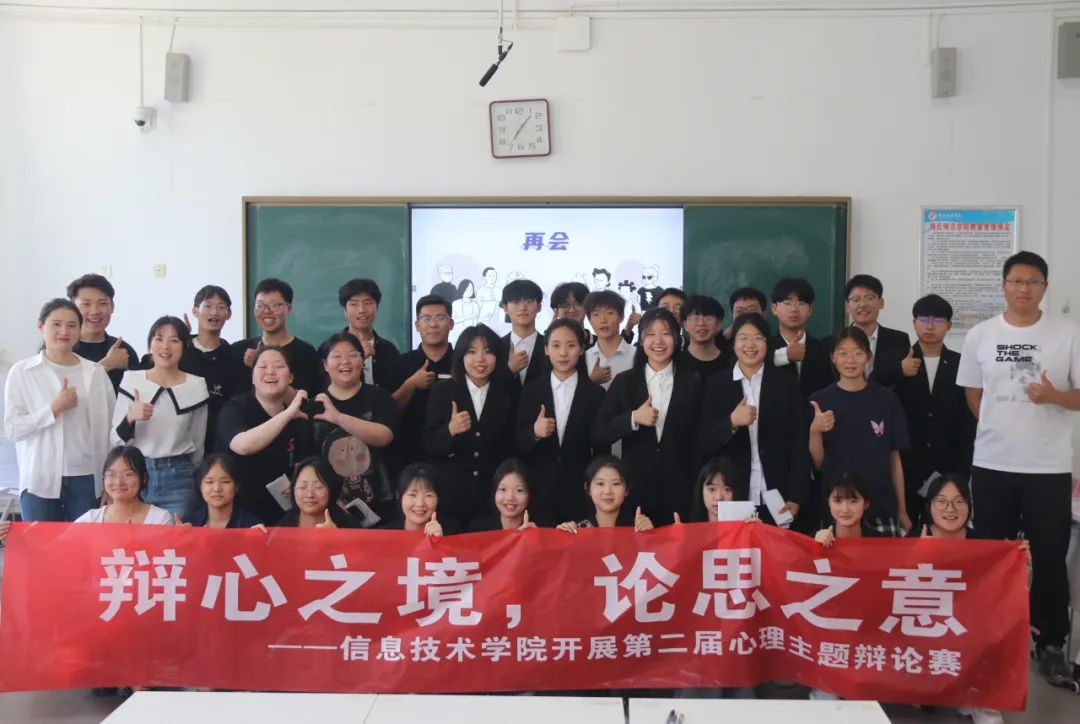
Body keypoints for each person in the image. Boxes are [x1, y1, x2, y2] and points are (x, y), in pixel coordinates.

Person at [956, 250, 1080, 682]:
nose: (1023, 288)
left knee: (1049, 557)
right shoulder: (981, 335)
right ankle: (988, 637)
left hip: (1048, 467)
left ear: (1044, 286)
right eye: (1016, 281)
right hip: (992, 463)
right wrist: (1000, 427)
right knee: (991, 555)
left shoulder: (1068, 334)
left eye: (1032, 281)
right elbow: (973, 393)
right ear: (1003, 286)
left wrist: (1053, 397)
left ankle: (1049, 643)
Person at [4, 299, 115, 522]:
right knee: (40, 542)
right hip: (39, 478)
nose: (64, 331)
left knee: (84, 542)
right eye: (56, 324)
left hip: (86, 477)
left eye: (72, 325)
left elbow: (109, 432)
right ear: (40, 326)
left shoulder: (95, 373)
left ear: (80, 330)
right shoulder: (22, 372)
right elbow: (13, 429)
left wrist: (110, 479)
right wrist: (52, 409)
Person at [697, 313, 809, 528]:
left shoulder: (786, 384)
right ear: (733, 343)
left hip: (779, 495)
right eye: (743, 338)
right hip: (733, 495)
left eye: (758, 338)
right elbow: (704, 442)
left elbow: (799, 442)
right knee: (737, 549)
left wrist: (797, 495)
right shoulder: (716, 385)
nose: (750, 345)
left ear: (767, 343)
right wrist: (731, 422)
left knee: (777, 548)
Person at [592, 308, 703, 522]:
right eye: (651, 334)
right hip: (635, 492)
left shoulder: (693, 381)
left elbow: (700, 439)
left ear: (677, 339)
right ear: (641, 340)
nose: (658, 341)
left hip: (682, 491)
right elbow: (598, 432)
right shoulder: (625, 382)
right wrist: (633, 418)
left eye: (666, 334)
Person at [809, 327, 911, 535]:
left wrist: (902, 509)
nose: (850, 360)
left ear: (868, 357)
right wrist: (815, 430)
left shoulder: (887, 400)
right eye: (843, 353)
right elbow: (818, 463)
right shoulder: (819, 401)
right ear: (833, 358)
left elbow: (894, 459)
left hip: (881, 505)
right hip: (839, 509)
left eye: (857, 353)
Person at [112, 316, 209, 517]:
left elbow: (198, 443)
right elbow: (115, 439)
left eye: (174, 340)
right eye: (158, 339)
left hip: (178, 477)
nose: (165, 346)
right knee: (134, 535)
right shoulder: (132, 380)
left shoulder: (196, 386)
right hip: (135, 473)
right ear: (150, 344)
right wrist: (130, 417)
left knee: (176, 534)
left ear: (184, 346)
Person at [893, 295, 975, 526]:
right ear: (914, 323)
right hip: (906, 467)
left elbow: (967, 423)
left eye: (938, 320)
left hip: (948, 466)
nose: (930, 326)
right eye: (924, 320)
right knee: (908, 537)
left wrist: (961, 473)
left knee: (945, 533)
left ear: (949, 325)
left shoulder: (961, 364)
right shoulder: (896, 362)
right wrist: (897, 371)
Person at [515, 319, 607, 524]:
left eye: (571, 345)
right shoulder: (531, 391)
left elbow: (601, 449)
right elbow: (517, 444)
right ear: (546, 350)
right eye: (556, 346)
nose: (563, 353)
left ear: (581, 349)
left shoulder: (595, 394)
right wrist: (534, 433)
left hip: (579, 494)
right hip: (538, 495)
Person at [424, 324, 514, 526]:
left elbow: (508, 449)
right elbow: (428, 445)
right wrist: (450, 431)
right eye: (471, 352)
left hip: (490, 499)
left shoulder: (504, 395)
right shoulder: (442, 390)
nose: (480, 359)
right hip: (449, 497)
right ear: (461, 356)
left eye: (488, 351)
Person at [215, 345, 314, 524]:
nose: (270, 372)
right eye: (262, 366)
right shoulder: (235, 408)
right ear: (252, 377)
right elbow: (243, 446)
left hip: (284, 516)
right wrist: (287, 414)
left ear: (290, 377)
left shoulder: (299, 417)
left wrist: (298, 482)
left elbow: (304, 464)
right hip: (239, 515)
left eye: (278, 366)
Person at [312, 332, 398, 525]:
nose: (345, 362)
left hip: (382, 507)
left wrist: (339, 418)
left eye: (352, 355)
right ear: (325, 364)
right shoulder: (315, 405)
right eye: (336, 356)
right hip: (330, 509)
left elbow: (384, 436)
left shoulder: (380, 398)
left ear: (362, 360)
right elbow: (308, 460)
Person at [390, 295, 455, 475]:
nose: (433, 324)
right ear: (417, 325)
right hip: (409, 456)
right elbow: (389, 412)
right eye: (426, 318)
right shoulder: (401, 363)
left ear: (451, 324)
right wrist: (411, 384)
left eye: (440, 318)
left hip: (453, 457)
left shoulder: (463, 362)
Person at [232, 278, 322, 397]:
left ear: (288, 308)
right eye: (260, 305)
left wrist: (257, 364)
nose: (266, 311)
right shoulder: (239, 349)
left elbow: (304, 401)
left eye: (274, 305)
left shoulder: (306, 353)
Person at [182, 285, 241, 450]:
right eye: (207, 306)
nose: (214, 312)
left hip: (216, 444)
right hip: (180, 441)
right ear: (195, 311)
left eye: (221, 307)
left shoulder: (233, 358)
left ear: (228, 314)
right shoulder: (180, 351)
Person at [66, 273, 138, 392]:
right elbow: (63, 393)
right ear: (73, 309)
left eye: (102, 303)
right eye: (86, 304)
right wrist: (106, 365)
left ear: (112, 307)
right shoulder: (63, 348)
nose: (95, 311)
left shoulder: (124, 351)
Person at [74, 445, 174, 525]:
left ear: (143, 478)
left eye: (128, 474)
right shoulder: (90, 520)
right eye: (111, 475)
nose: (118, 482)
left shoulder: (160, 520)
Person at [841, 274, 911, 385]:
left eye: (869, 298)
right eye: (856, 299)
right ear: (847, 307)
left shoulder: (899, 340)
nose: (862, 304)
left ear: (881, 303)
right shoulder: (832, 342)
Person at [768, 277, 833, 397]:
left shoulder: (823, 350)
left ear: (810, 309)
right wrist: (785, 355)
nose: (794, 309)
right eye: (787, 303)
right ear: (774, 308)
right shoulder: (764, 348)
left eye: (801, 303)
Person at [556, 455, 655, 532]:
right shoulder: (578, 529)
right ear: (588, 488)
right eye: (600, 484)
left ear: (627, 490)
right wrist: (562, 536)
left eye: (616, 484)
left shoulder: (637, 528)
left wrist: (648, 534)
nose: (607, 491)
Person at [338, 278, 401, 390]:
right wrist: (358, 358)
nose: (361, 310)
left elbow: (393, 395)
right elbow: (327, 389)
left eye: (367, 303)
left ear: (377, 307)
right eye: (354, 304)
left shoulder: (389, 350)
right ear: (345, 310)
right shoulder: (331, 349)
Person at [183, 452, 262, 528]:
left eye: (225, 482)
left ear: (237, 486)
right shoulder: (189, 523)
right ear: (200, 486)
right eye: (210, 482)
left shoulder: (251, 525)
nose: (217, 489)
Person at [500, 278, 551, 394]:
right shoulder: (495, 347)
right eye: (516, 302)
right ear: (505, 308)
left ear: (539, 307)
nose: (523, 307)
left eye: (529, 301)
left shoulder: (551, 346)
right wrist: (510, 370)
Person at [275, 456, 353, 528]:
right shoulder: (283, 525)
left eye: (318, 487)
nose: (309, 495)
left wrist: (336, 535)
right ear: (294, 489)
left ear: (331, 489)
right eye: (303, 487)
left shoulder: (348, 526)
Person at [583, 290, 636, 391]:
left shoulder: (637, 355)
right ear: (589, 320)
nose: (603, 320)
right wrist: (591, 382)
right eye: (596, 314)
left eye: (609, 313)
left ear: (621, 317)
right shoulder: (583, 359)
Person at [378, 462, 451, 535]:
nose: (420, 504)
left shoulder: (453, 533)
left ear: (438, 498)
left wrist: (440, 540)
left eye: (428, 495)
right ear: (399, 496)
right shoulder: (383, 534)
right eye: (412, 495)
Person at [469, 458, 538, 531]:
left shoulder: (540, 529)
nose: (510, 497)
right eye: (503, 489)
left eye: (519, 490)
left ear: (529, 494)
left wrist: (536, 535)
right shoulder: (478, 530)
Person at [680, 294, 730, 380]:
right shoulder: (676, 363)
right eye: (695, 318)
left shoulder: (731, 363)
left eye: (708, 318)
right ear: (685, 325)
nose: (701, 323)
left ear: (718, 323)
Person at [689, 457, 750, 523]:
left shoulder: (747, 526)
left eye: (727, 489)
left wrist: (756, 527)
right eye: (712, 489)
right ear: (701, 491)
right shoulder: (689, 527)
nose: (719, 498)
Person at [550, 281, 595, 347]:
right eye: (565, 305)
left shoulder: (600, 343)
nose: (572, 310)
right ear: (556, 311)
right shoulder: (546, 344)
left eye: (578, 304)